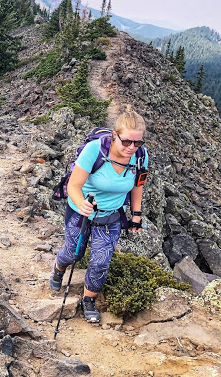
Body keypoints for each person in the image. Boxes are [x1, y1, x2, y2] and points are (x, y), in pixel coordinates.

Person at [49, 107, 149, 323]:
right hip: (80, 212)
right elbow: (74, 185)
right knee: (73, 253)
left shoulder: (140, 157)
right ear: (115, 135)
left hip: (111, 215)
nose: (132, 148)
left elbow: (137, 186)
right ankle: (59, 267)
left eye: (138, 143)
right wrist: (80, 203)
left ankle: (89, 300)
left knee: (101, 262)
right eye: (127, 142)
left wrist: (136, 215)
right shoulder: (94, 151)